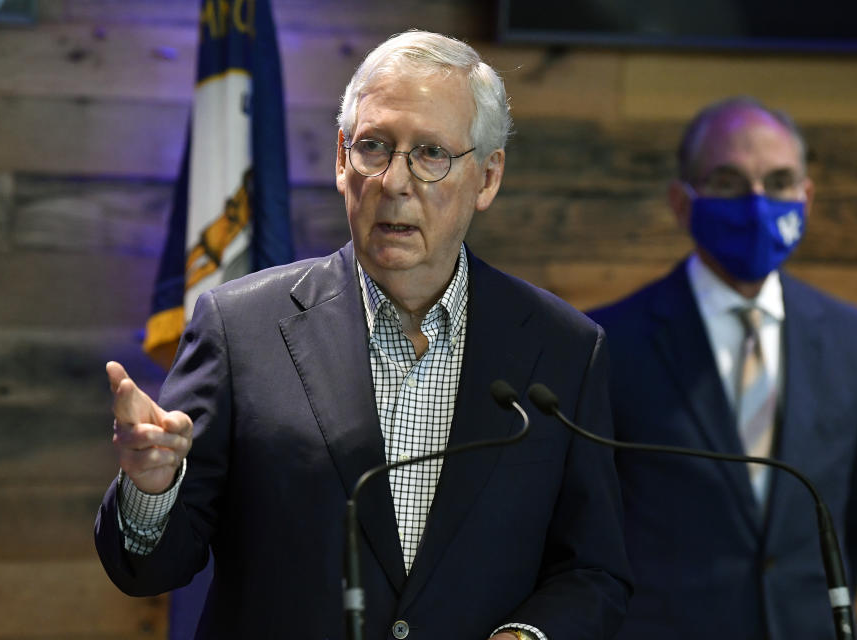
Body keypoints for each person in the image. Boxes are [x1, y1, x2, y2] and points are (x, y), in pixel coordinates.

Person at [94, 30, 631, 640]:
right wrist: (151, 486)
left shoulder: (562, 348)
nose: (395, 182)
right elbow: (149, 569)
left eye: (431, 154)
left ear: (486, 178)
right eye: (374, 147)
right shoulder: (240, 327)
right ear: (342, 159)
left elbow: (593, 570)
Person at [589, 96, 857, 640]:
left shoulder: (855, 341)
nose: (758, 204)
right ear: (681, 201)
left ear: (806, 197)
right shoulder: (604, 345)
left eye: (780, 181)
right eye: (729, 182)